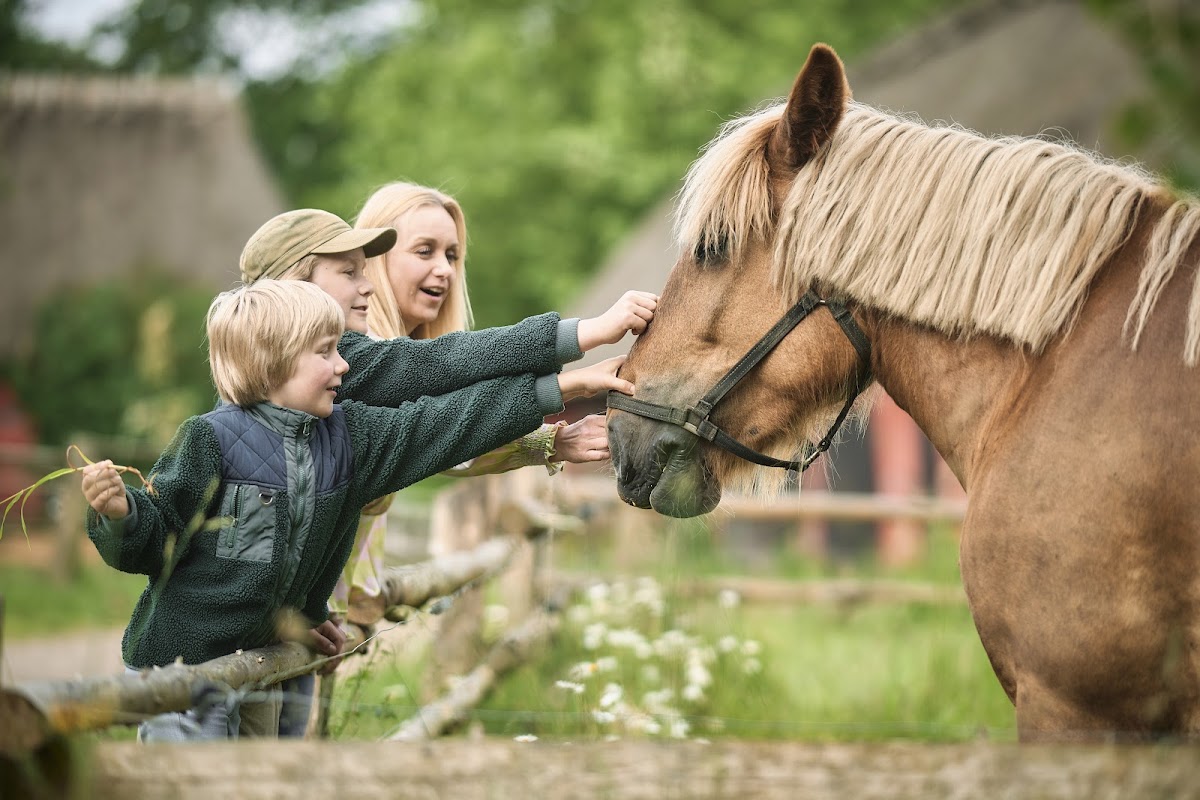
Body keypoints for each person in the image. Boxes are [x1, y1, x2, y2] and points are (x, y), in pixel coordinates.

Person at [81, 279, 634, 741]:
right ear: (270, 364)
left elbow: (449, 422)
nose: (345, 365)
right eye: (325, 352)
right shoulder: (207, 440)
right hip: (185, 669)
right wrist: (120, 514)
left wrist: (307, 609)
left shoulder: (354, 439)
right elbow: (157, 545)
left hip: (268, 660)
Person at [238, 206, 656, 736]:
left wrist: (552, 426)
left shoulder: (339, 375)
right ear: (296, 284)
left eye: (453, 254)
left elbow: (440, 428)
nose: (444, 269)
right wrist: (584, 341)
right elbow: (438, 386)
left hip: (304, 617)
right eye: (350, 272)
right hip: (258, 624)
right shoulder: (350, 366)